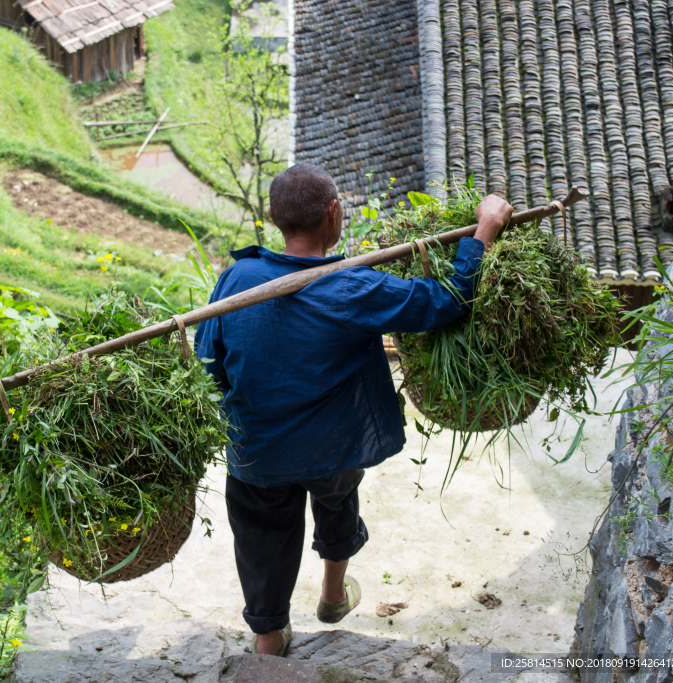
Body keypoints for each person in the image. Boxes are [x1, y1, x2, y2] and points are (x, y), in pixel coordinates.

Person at [194, 163, 513, 657]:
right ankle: (333, 594)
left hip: (257, 448)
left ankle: (268, 637)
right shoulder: (352, 287)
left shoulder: (238, 277)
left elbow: (209, 356)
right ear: (334, 213)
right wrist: (484, 232)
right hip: (334, 446)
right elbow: (445, 301)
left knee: (261, 533)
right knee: (338, 498)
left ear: (275, 219)